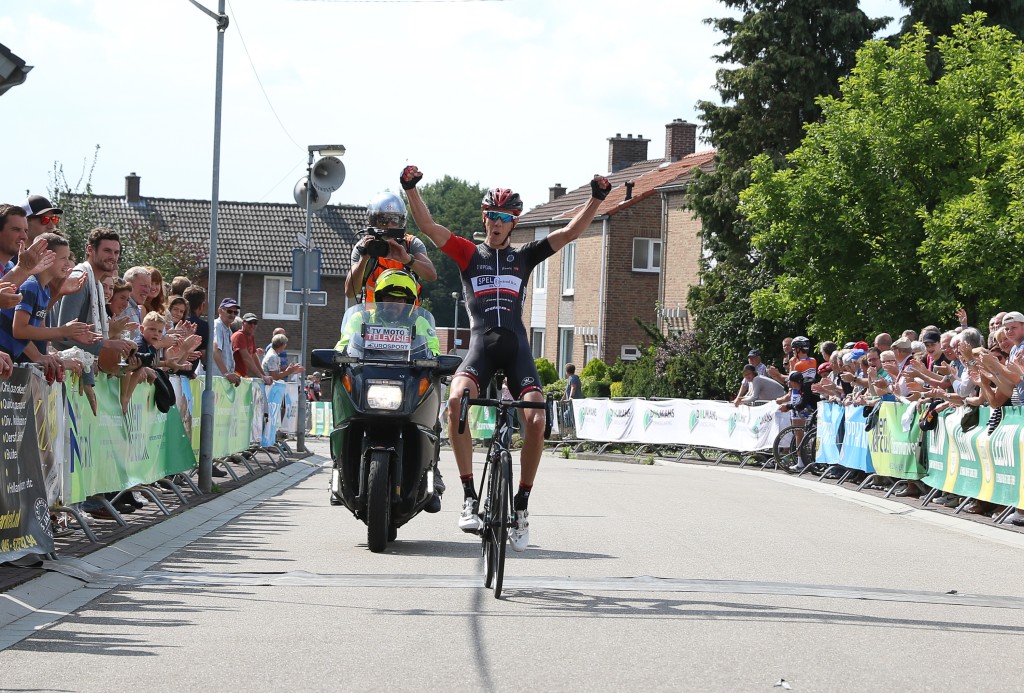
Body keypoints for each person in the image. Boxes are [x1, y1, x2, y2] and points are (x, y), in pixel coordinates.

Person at [401, 163, 611, 552]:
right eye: (490, 217)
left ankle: (522, 504)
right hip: (481, 348)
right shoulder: (468, 254)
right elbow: (429, 228)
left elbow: (568, 233)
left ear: (513, 223)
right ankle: (468, 497)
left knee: (535, 420)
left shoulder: (524, 257)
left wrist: (596, 198)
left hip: (517, 350)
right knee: (455, 401)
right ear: (484, 219)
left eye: (503, 218)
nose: (495, 223)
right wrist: (410, 188)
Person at [344, 191, 437, 301]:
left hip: (407, 315)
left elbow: (431, 275)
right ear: (373, 222)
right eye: (383, 221)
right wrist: (364, 259)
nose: (389, 226)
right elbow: (350, 293)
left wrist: (408, 260)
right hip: (373, 316)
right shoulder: (365, 246)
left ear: (401, 222)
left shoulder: (410, 243)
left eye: (394, 220)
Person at [335, 269, 440, 355]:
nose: (394, 303)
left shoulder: (419, 322)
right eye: (389, 298)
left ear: (408, 302)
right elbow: (344, 344)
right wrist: (338, 354)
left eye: (400, 299)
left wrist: (436, 359)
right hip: (363, 372)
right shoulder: (361, 318)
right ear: (380, 299)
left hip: (410, 375)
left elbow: (433, 348)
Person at [198, 297, 241, 385]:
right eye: (229, 311)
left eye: (235, 312)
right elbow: (215, 349)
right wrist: (226, 373)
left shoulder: (228, 329)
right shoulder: (217, 326)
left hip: (219, 380)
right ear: (220, 311)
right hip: (212, 380)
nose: (232, 315)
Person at [232, 312, 271, 384]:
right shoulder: (239, 335)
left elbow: (254, 356)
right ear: (243, 323)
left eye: (255, 323)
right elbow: (246, 358)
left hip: (242, 376)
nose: (252, 325)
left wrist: (264, 375)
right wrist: (261, 377)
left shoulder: (250, 336)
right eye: (249, 322)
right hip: (235, 376)